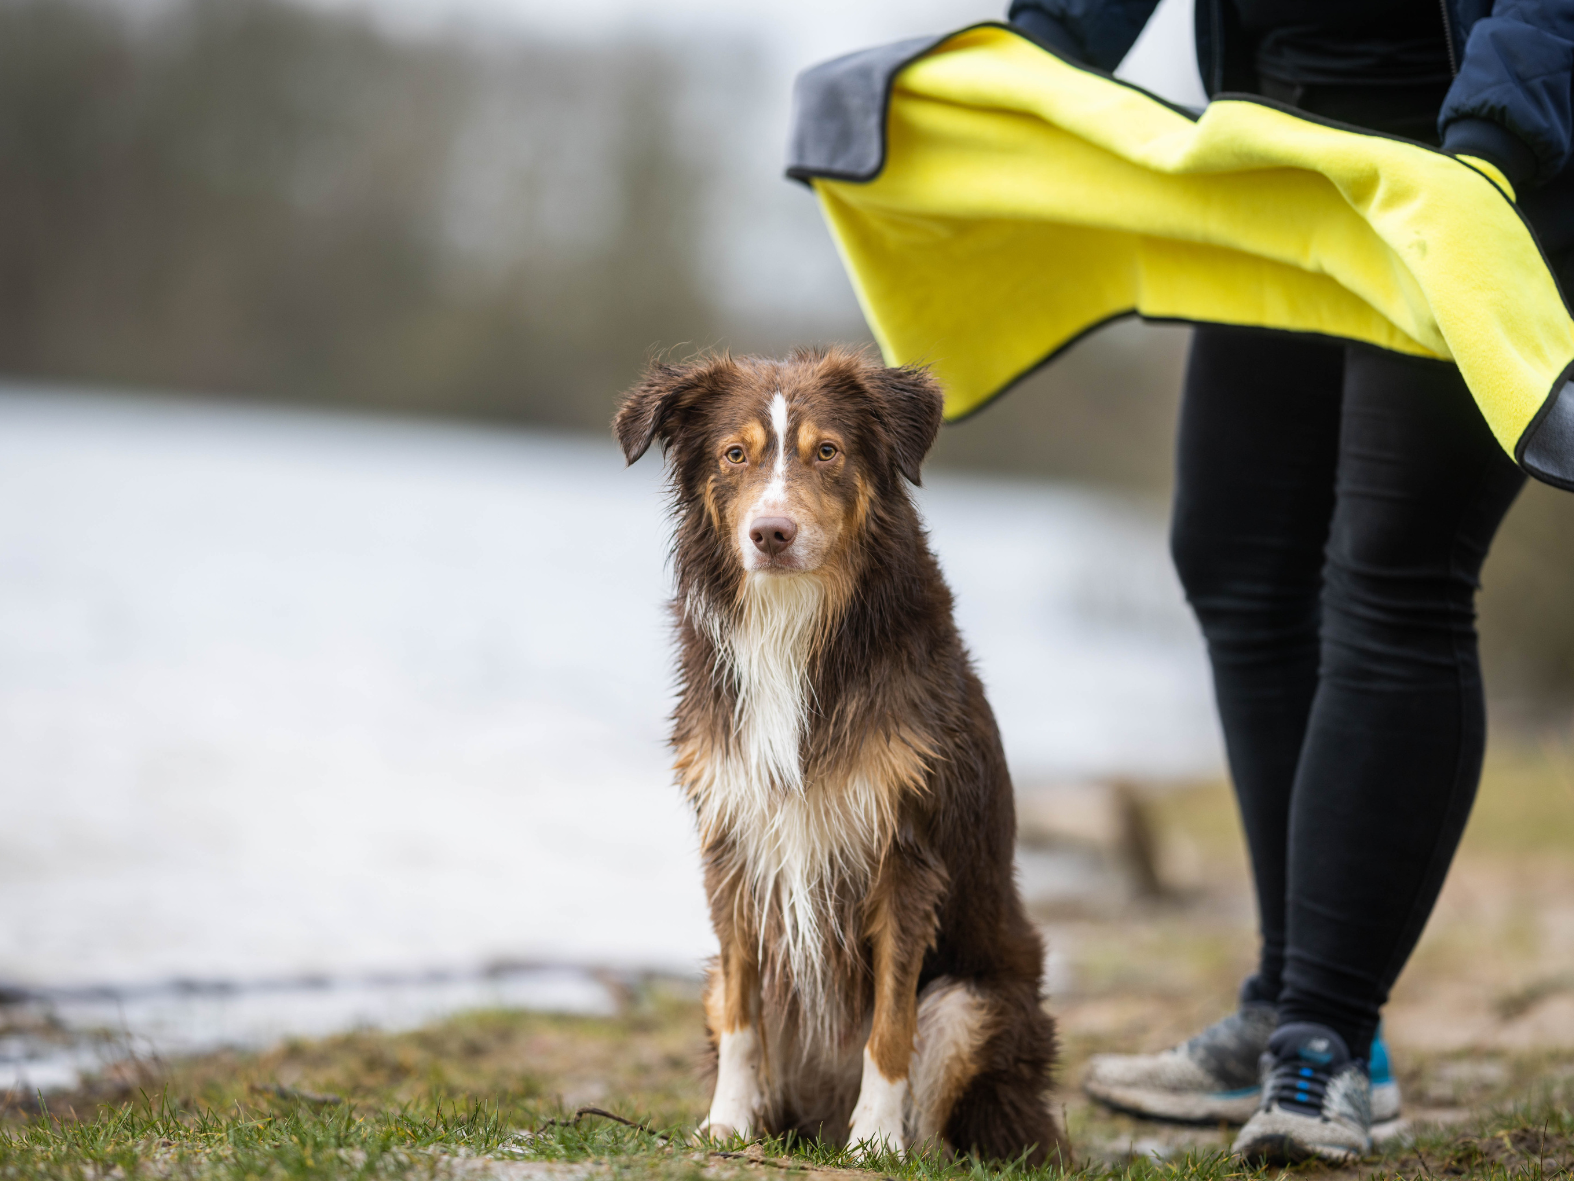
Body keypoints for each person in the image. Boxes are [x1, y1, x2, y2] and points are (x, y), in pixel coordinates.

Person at [1004, 0, 1574, 1165]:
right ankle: (1285, 1001)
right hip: (1281, 154)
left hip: (1477, 173)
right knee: (1233, 554)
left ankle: (1325, 1035)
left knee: (1395, 574)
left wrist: (1494, 138)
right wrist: (1036, 52)